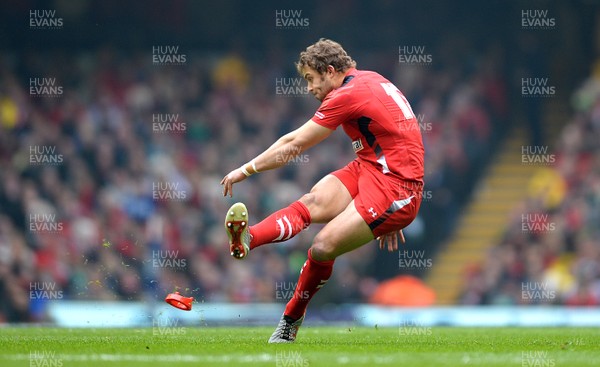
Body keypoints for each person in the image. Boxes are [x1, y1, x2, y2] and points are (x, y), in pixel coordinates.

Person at [220, 38, 424, 343]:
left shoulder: (347, 94)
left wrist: (245, 169)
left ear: (330, 71)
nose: (309, 88)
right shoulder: (372, 80)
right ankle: (249, 238)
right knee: (312, 202)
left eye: (311, 79)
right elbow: (403, 136)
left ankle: (291, 319)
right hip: (371, 167)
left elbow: (293, 145)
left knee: (322, 246)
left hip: (395, 187)